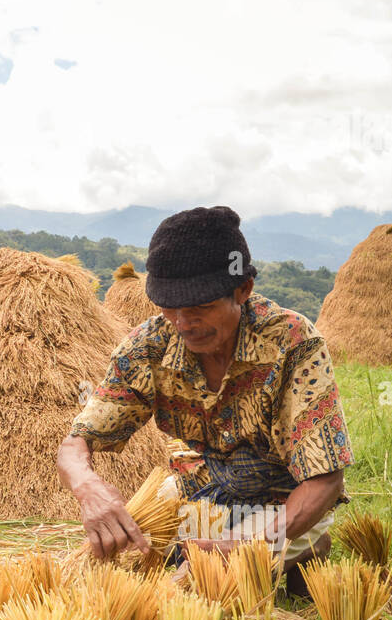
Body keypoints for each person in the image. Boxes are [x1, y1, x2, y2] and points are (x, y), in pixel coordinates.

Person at [56, 205, 353, 595]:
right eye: (170, 307)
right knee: (128, 556)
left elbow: (326, 478)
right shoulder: (149, 346)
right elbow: (75, 444)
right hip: (200, 485)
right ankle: (269, 557)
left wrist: (256, 544)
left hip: (283, 502)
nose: (183, 323)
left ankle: (303, 543)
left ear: (242, 290)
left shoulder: (293, 343)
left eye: (200, 307)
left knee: (192, 587)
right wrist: (88, 487)